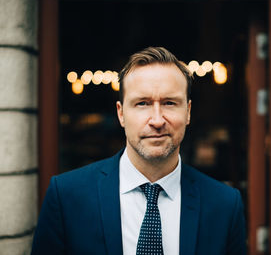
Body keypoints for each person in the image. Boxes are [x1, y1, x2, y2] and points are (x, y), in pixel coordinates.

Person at [31, 47, 246, 255]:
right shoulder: (66, 197)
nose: (157, 120)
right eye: (142, 103)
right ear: (121, 113)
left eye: (170, 103)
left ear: (188, 112)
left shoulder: (225, 205)